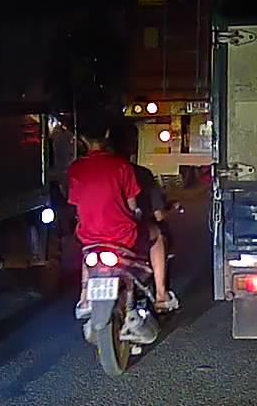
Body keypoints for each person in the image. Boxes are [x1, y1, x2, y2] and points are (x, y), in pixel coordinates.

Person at [67, 111, 177, 314]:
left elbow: (76, 206)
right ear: (107, 135)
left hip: (90, 236)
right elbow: (133, 207)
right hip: (122, 236)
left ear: (82, 139)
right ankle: (161, 295)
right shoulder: (122, 167)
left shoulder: (76, 169)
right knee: (157, 236)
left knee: (87, 250)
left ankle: (84, 298)